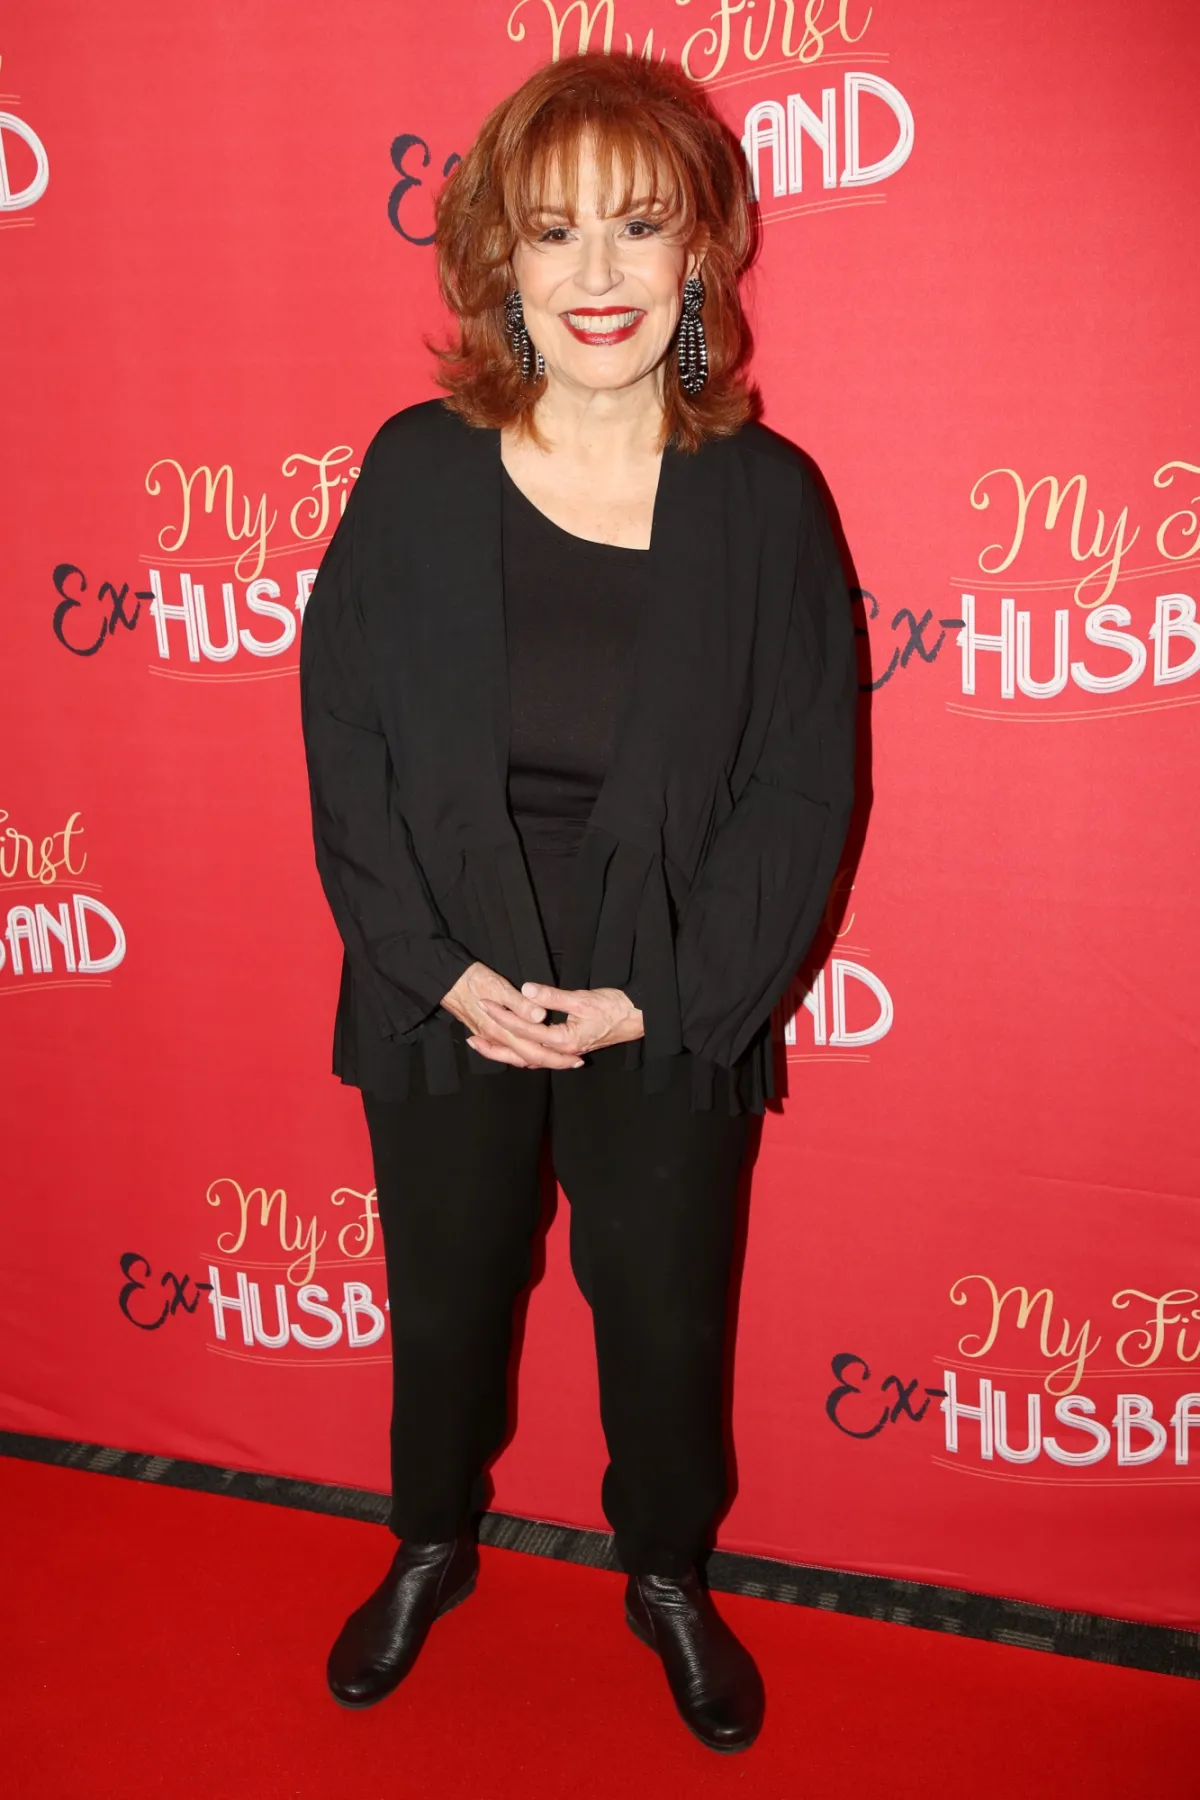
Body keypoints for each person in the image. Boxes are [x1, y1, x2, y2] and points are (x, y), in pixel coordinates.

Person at [299, 50, 856, 1754]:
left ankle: (668, 1573)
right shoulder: (416, 471)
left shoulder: (767, 502)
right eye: (554, 232)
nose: (598, 274)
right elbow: (345, 740)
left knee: (668, 1315)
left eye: (640, 225)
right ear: (500, 259)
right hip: (447, 990)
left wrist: (659, 998)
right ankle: (429, 1542)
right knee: (446, 1299)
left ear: (703, 252)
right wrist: (434, 969)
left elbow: (805, 789)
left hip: (663, 1000)